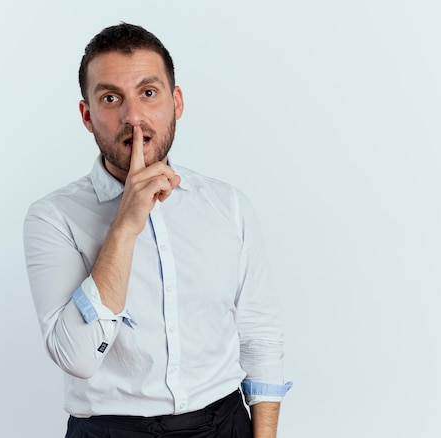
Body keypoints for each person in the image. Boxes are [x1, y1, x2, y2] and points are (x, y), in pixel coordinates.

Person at [24, 23, 292, 438]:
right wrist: (126, 223)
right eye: (111, 98)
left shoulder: (228, 206)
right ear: (86, 115)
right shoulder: (53, 218)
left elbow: (260, 335)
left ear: (176, 101)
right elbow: (77, 357)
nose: (133, 116)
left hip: (224, 424)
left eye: (148, 93)